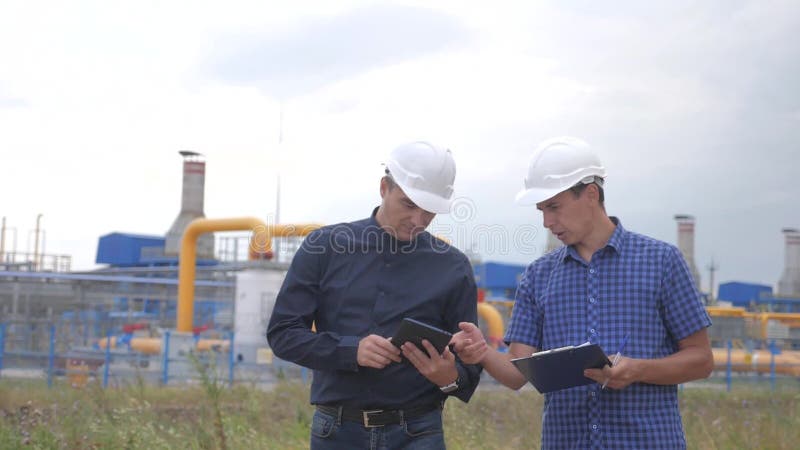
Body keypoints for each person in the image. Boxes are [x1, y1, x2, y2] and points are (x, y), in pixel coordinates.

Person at [453, 137, 713, 449]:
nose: (548, 222)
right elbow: (516, 374)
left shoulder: (662, 262)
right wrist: (483, 352)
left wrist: (639, 369)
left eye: (554, 207)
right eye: (542, 210)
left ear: (591, 194)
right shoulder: (538, 275)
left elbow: (701, 360)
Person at [267, 141, 482, 450]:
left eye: (430, 211)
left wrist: (449, 376)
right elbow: (283, 334)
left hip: (419, 433)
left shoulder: (454, 268)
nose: (419, 220)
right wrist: (350, 351)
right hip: (337, 433)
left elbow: (468, 366)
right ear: (384, 187)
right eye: (409, 204)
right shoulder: (323, 247)